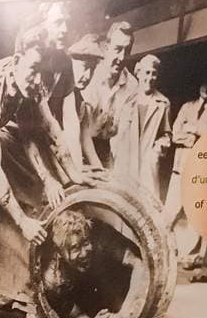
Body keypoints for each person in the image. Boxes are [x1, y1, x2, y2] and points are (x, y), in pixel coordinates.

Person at [0, 29, 90, 318]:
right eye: (33, 69)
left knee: (34, 198)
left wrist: (69, 175)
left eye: (43, 73)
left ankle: (9, 292)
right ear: (16, 58)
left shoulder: (33, 83)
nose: (37, 79)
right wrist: (22, 221)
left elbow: (40, 133)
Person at [40, 209, 148, 318]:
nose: (84, 253)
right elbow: (75, 317)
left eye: (85, 243)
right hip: (86, 301)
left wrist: (123, 315)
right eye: (75, 248)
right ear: (60, 252)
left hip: (112, 285)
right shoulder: (54, 278)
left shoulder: (99, 234)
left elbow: (138, 264)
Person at [166, 81, 207, 280]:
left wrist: (192, 127)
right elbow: (175, 133)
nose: (206, 88)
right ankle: (165, 248)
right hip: (180, 166)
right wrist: (193, 137)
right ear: (199, 86)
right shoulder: (186, 107)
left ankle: (189, 256)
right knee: (171, 209)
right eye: (203, 84)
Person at [111, 54, 172, 201]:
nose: (150, 78)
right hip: (126, 158)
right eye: (147, 72)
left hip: (147, 162)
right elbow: (114, 128)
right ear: (138, 73)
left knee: (146, 205)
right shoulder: (126, 98)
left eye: (154, 74)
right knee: (122, 202)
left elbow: (167, 134)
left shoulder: (163, 103)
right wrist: (116, 149)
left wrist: (157, 150)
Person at [85, 20, 137, 167]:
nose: (121, 57)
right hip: (81, 143)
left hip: (107, 148)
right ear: (106, 48)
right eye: (118, 49)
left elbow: (124, 133)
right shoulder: (90, 75)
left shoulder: (132, 85)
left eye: (127, 51)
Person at [59, 34, 107, 170]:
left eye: (92, 70)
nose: (88, 75)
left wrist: (100, 170)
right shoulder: (57, 93)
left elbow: (86, 140)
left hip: (71, 162)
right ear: (71, 62)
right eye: (85, 67)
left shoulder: (80, 101)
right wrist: (78, 168)